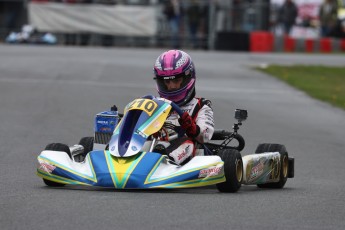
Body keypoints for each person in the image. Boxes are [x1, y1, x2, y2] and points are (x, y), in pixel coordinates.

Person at [153, 50, 214, 165]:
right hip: (157, 147)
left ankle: (169, 162)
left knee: (186, 142)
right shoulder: (155, 105)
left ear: (188, 77)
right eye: (167, 82)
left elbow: (205, 135)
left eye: (176, 80)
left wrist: (192, 128)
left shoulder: (201, 105)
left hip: (191, 157)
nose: (171, 86)